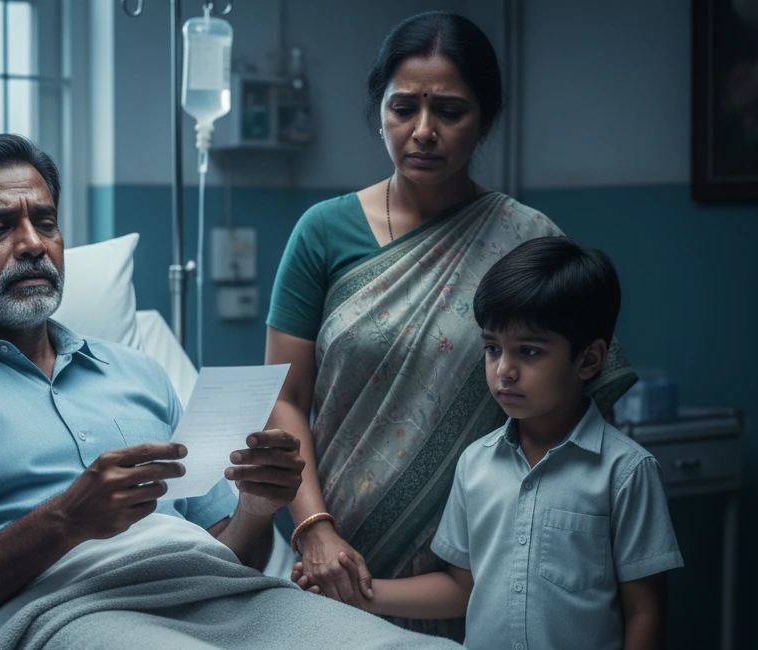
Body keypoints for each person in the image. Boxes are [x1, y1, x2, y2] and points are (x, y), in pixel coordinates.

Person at [0, 134, 457, 650]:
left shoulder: (137, 374)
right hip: (69, 617)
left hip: (228, 599)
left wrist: (258, 507)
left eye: (44, 222)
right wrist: (65, 521)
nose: (32, 245)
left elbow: (232, 554)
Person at [264, 11, 636, 639]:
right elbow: (284, 396)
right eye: (403, 108)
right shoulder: (323, 233)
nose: (424, 132)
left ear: (485, 119)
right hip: (331, 558)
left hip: (481, 561)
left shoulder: (526, 240)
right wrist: (315, 530)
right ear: (378, 111)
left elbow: (583, 411)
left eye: (451, 111)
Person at [294, 236, 683, 650]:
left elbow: (645, 610)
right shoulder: (475, 464)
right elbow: (462, 589)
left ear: (588, 360)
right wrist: (355, 592)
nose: (504, 371)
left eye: (529, 352)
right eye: (492, 349)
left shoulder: (625, 473)